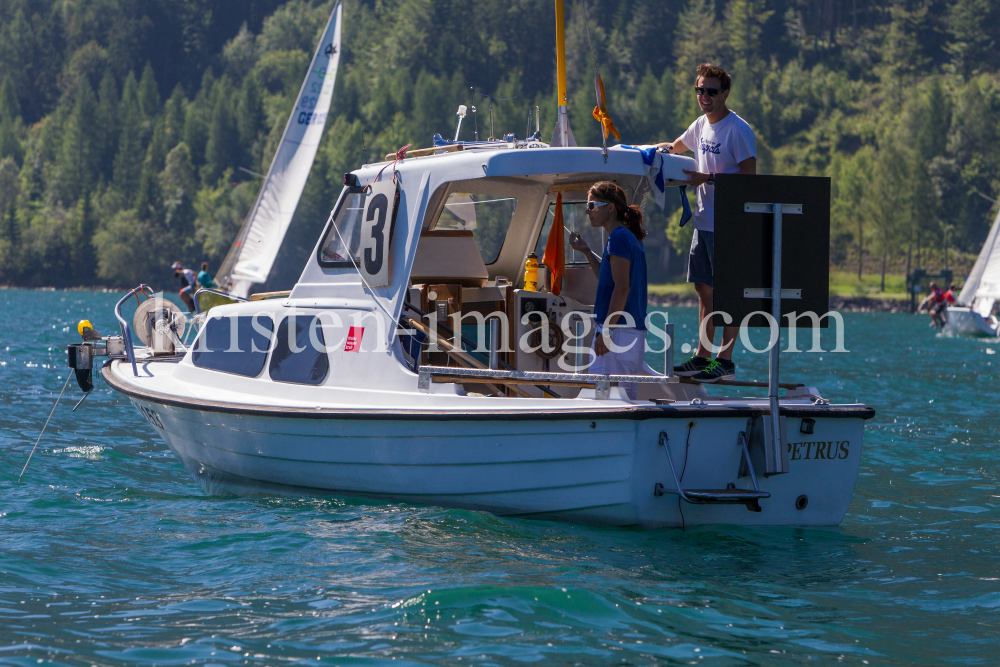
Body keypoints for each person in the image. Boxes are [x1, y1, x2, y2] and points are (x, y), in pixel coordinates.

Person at [657, 63, 757, 383]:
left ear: (724, 94)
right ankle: (703, 356)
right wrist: (652, 154)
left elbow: (749, 177)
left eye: (711, 91)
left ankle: (724, 360)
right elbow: (674, 147)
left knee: (727, 295)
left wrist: (708, 178)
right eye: (700, 90)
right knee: (704, 290)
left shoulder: (738, 130)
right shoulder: (700, 125)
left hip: (730, 223)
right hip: (704, 222)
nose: (704, 96)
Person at [568, 181, 648, 400]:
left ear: (610, 207)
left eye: (592, 205)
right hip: (629, 335)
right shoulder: (628, 237)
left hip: (617, 335)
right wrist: (586, 252)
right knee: (623, 403)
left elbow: (622, 289)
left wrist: (606, 332)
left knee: (603, 403)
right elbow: (610, 279)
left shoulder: (619, 237)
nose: (588, 211)